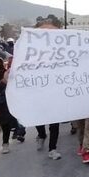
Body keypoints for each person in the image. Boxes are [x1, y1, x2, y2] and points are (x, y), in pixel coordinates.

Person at [34, 18, 62, 160]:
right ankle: (41, 134)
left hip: (55, 94)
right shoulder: (31, 52)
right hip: (38, 93)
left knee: (54, 123)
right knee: (38, 119)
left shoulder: (62, 52)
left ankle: (52, 148)